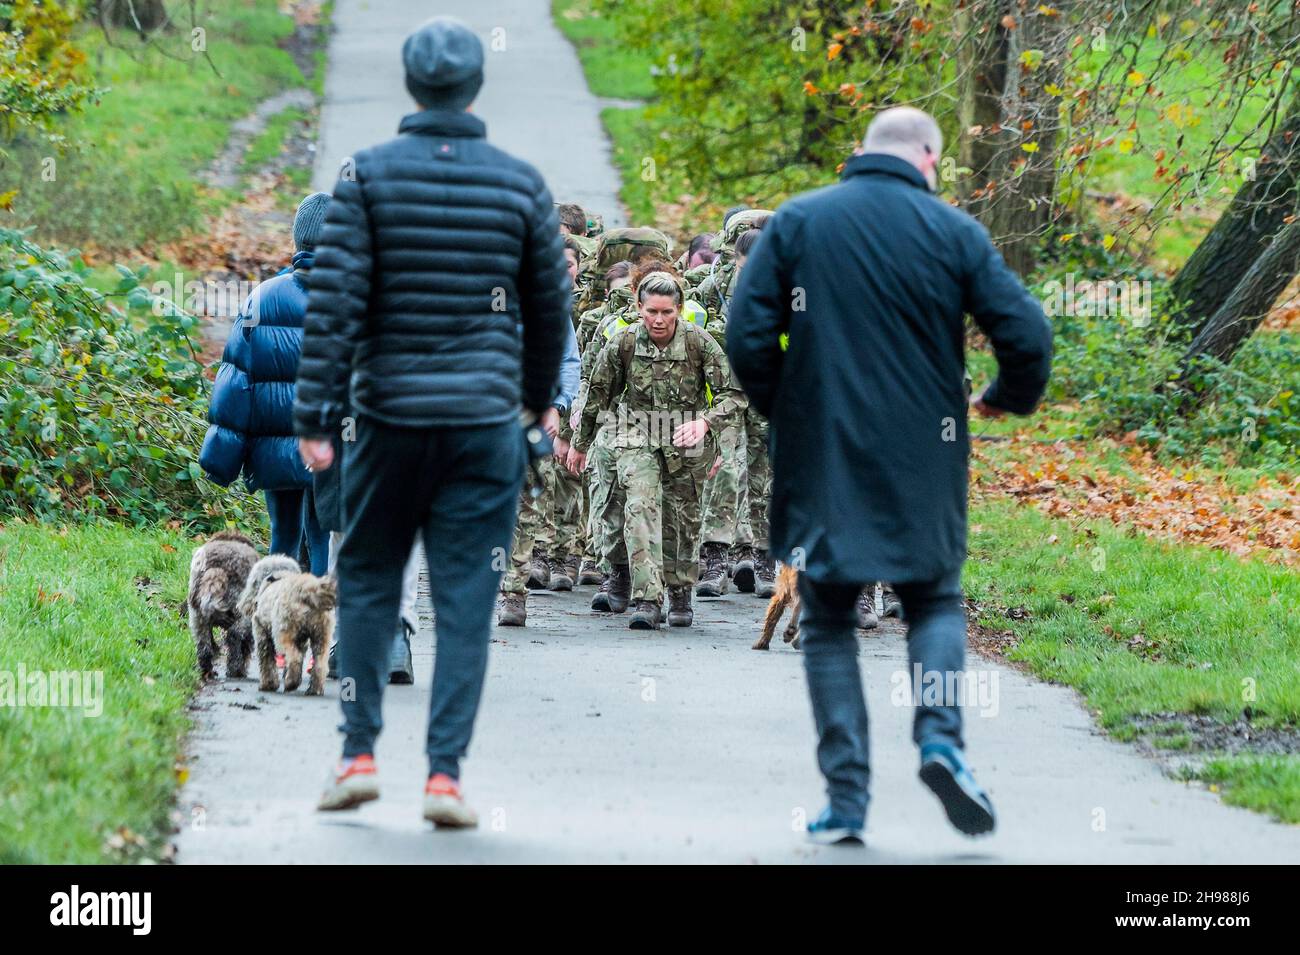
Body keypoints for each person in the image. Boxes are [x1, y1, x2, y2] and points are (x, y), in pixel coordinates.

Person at [727, 106, 1051, 844]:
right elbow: (1027, 333)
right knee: (932, 600)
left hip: (823, 448)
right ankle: (940, 741)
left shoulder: (799, 222)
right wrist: (1005, 397)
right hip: (925, 450)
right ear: (928, 158)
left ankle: (846, 799)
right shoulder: (953, 232)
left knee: (829, 616)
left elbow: (746, 334)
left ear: (862, 153)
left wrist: (790, 407)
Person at [295, 16, 569, 827]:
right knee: (466, 600)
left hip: (386, 421)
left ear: (412, 85)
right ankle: (445, 776)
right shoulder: (520, 184)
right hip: (484, 425)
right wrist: (536, 400)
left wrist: (316, 417)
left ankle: (357, 754)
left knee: (370, 580)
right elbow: (549, 307)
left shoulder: (367, 176)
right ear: (475, 86)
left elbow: (335, 305)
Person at [571, 270, 745, 629]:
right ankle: (647, 598)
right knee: (639, 506)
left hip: (686, 436)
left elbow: (733, 394)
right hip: (636, 433)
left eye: (667, 312)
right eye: (652, 311)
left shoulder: (699, 342)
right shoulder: (623, 342)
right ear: (639, 307)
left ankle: (680, 590)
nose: (659, 320)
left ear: (678, 309)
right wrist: (580, 444)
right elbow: (597, 396)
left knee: (682, 517)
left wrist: (706, 423)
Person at [200, 192, 333, 576]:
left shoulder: (263, 298)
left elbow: (236, 381)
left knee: (283, 538)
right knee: (323, 539)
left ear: (296, 239)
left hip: (274, 449)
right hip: (329, 446)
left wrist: (220, 459)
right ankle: (320, 612)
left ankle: (271, 607)